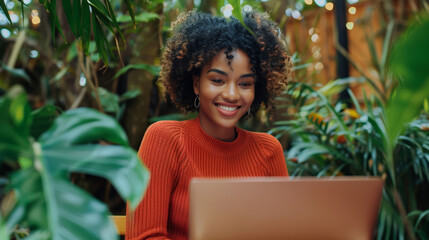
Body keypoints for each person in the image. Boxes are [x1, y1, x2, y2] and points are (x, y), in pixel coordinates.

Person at [126, 9, 292, 240]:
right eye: (217, 80)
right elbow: (144, 236)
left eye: (245, 83)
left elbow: (283, 233)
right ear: (196, 83)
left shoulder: (268, 150)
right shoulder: (164, 139)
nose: (232, 94)